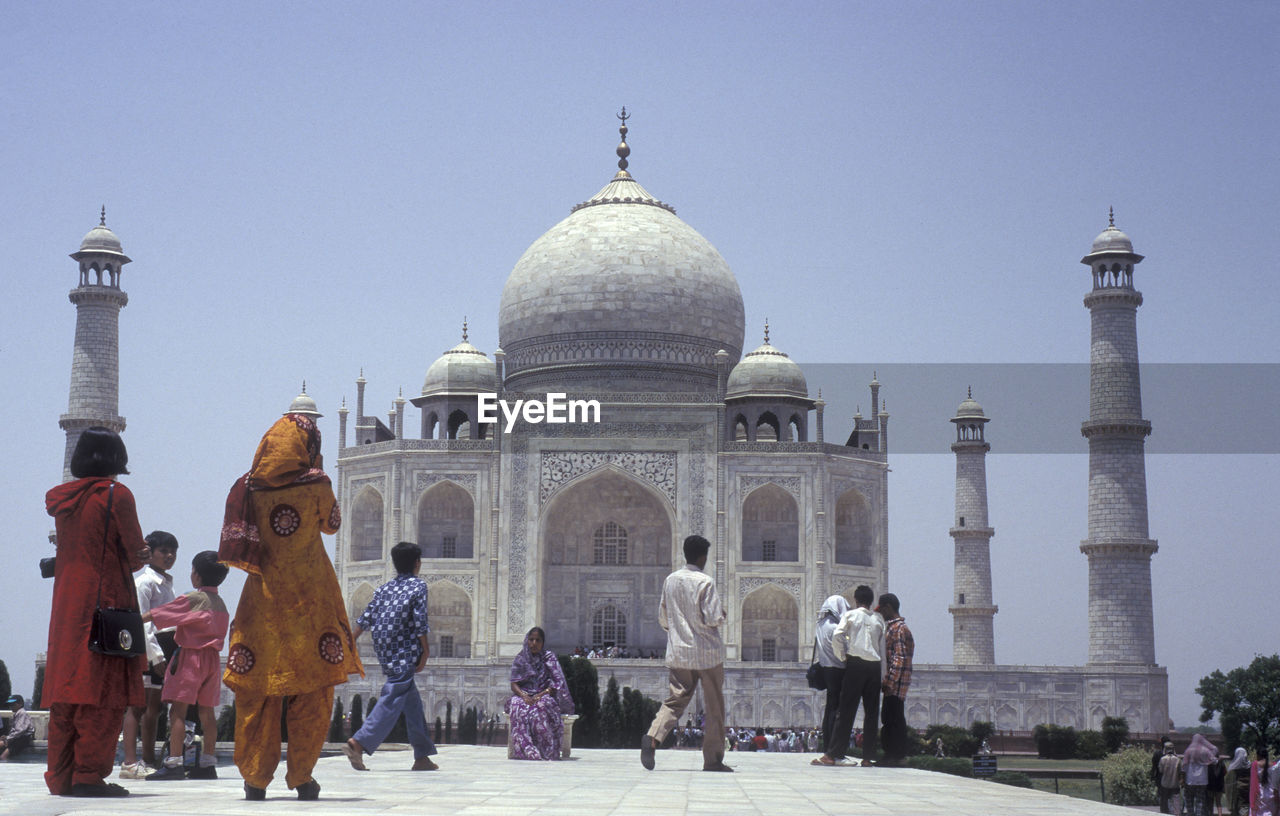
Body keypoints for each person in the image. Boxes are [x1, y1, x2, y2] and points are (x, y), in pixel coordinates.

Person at [220, 408, 364, 801]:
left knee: (257, 691)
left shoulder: (248, 487)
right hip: (310, 599)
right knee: (314, 691)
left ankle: (254, 777)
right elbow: (331, 523)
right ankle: (302, 776)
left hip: (262, 600)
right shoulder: (316, 483)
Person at [43, 426, 150, 797]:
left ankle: (61, 774)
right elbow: (136, 553)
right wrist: (144, 554)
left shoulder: (63, 500)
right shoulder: (115, 494)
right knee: (102, 691)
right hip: (106, 601)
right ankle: (88, 775)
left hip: (67, 603)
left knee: (68, 690)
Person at [343, 541, 440, 771]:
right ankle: (359, 742)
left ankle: (422, 755)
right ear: (418, 564)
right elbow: (419, 622)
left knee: (410, 700)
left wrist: (351, 641)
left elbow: (366, 616)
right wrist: (425, 651)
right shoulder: (418, 586)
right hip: (405, 649)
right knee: (393, 694)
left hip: (384, 647)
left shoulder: (384, 588)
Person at [640, 534, 731, 772]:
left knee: (675, 701)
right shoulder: (705, 582)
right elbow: (713, 618)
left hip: (679, 653)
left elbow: (663, 617)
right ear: (703, 556)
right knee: (714, 708)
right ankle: (712, 760)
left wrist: (678, 633)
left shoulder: (671, 580)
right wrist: (722, 615)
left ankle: (652, 737)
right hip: (707, 654)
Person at [139, 550, 230, 780]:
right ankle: (208, 763)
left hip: (190, 658)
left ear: (196, 576)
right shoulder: (221, 604)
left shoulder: (193, 599)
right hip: (212, 661)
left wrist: (134, 618)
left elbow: (160, 614)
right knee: (207, 713)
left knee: (178, 712)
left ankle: (174, 763)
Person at [120, 530, 179, 778]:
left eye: (173, 551)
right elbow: (142, 622)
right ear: (150, 554)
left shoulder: (167, 584)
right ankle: (129, 763)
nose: (169, 556)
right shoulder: (144, 582)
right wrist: (155, 656)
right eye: (163, 551)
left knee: (154, 707)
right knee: (137, 706)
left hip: (166, 646)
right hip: (148, 648)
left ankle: (149, 758)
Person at [814, 585, 884, 767]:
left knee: (846, 711)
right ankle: (868, 758)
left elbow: (838, 635)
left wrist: (843, 657)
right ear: (871, 601)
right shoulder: (878, 619)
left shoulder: (850, 615)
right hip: (875, 667)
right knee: (871, 713)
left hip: (856, 665)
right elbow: (880, 645)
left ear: (856, 600)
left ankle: (832, 755)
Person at [504, 626, 575, 760]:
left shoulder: (549, 658)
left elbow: (556, 683)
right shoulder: (521, 659)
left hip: (543, 695)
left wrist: (540, 695)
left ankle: (547, 750)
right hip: (523, 695)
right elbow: (514, 684)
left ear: (543, 642)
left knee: (541, 708)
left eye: (538, 640)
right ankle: (528, 751)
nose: (534, 643)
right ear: (527, 641)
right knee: (517, 706)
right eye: (531, 640)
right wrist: (524, 696)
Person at [877, 592, 914, 767]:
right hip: (898, 682)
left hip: (896, 683)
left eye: (882, 610)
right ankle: (894, 755)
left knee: (892, 719)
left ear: (888, 607)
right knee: (893, 717)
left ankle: (895, 756)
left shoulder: (898, 629)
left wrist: (889, 682)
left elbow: (899, 658)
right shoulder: (897, 627)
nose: (881, 614)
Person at [812, 594, 851, 757]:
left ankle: (828, 745)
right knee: (837, 710)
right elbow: (844, 651)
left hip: (825, 669)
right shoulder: (836, 628)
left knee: (830, 708)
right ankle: (835, 749)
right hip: (838, 669)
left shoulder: (819, 626)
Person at [1183, 733, 1217, 816]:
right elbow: (1215, 760)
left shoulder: (1188, 750)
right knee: (1200, 800)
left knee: (1189, 799)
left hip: (1190, 780)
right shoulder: (1205, 750)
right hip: (1202, 780)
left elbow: (1183, 766)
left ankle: (1190, 814)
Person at [1, 695, 35, 760]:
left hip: (21, 740)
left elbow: (20, 730)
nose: (11, 706)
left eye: (13, 704)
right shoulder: (17, 714)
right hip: (17, 738)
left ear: (20, 704)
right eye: (10, 705)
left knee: (3, 756)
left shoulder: (22, 713)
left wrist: (8, 738)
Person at [1158, 741, 1183, 814]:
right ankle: (1177, 813)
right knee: (1176, 801)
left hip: (1165, 783)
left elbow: (1161, 770)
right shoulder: (1178, 759)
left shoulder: (1162, 759)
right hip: (1175, 783)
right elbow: (1180, 772)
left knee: (1164, 801)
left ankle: (1164, 813)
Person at [1226, 747, 1250, 816]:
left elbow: (1228, 784)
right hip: (1246, 799)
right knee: (1244, 812)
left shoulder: (1232, 768)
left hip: (1235, 799)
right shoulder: (1249, 767)